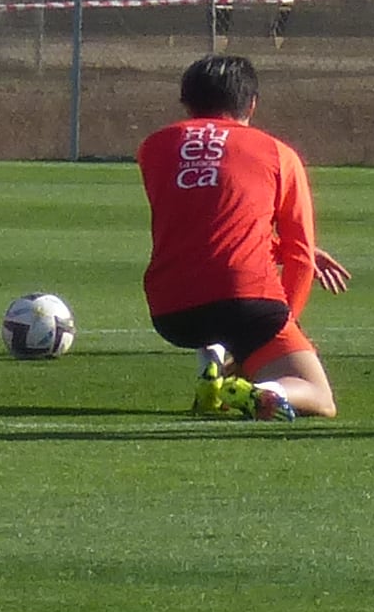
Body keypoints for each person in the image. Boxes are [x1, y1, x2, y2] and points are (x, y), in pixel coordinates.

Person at [139, 55, 351, 418]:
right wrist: (288, 320)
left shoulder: (154, 148)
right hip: (247, 303)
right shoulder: (278, 153)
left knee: (209, 291)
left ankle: (214, 360)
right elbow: (299, 254)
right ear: (251, 103)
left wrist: (273, 248)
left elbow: (206, 220)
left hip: (171, 311)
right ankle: (258, 390)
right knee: (319, 396)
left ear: (186, 102)